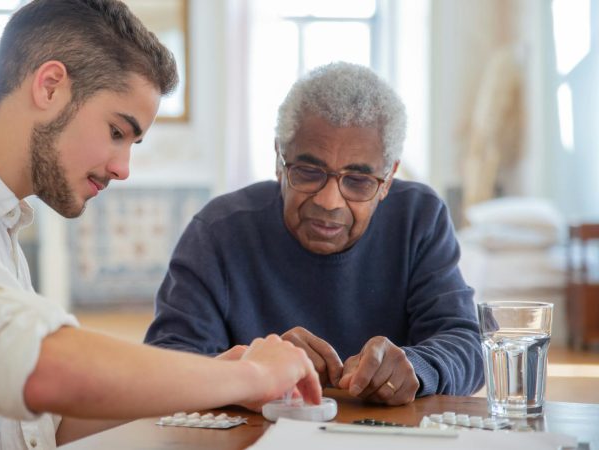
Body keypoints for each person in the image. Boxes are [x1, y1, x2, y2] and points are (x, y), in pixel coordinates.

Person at [0, 1, 321, 448]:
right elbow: (45, 369)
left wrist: (223, 379)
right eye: (118, 131)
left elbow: (45, 421)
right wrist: (252, 373)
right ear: (50, 86)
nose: (123, 168)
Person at [145, 61, 484, 406]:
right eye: (308, 172)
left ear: (388, 179)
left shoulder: (419, 219)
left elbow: (466, 345)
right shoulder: (218, 231)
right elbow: (167, 367)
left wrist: (418, 365)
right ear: (279, 159)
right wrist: (256, 368)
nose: (329, 201)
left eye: (358, 181)